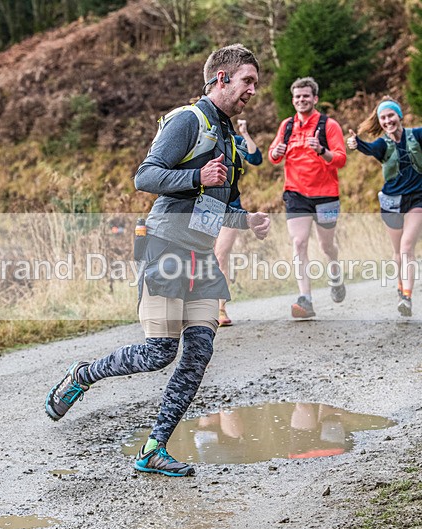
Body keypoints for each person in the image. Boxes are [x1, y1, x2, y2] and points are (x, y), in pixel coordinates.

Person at [44, 44, 270, 477]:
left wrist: (248, 220)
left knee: (198, 353)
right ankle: (82, 374)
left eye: (255, 84)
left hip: (202, 256)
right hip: (166, 245)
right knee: (158, 352)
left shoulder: (230, 138)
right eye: (247, 81)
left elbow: (220, 205)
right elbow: (145, 176)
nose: (253, 91)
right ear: (221, 79)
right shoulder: (189, 120)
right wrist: (196, 176)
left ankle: (153, 448)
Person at [346, 97, 422, 316]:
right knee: (397, 252)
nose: (387, 120)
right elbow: (371, 149)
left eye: (391, 115)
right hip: (392, 202)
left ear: (399, 116)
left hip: (417, 199)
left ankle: (407, 297)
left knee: (406, 247)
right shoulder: (383, 144)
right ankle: (401, 287)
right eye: (383, 118)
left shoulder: (417, 136)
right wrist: (357, 144)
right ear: (380, 122)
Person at [268, 77, 347, 319]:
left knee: (326, 246)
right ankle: (306, 299)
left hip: (326, 195)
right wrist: (276, 152)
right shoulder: (287, 126)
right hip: (296, 193)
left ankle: (335, 274)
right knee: (299, 242)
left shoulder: (329, 126)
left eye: (306, 96)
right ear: (293, 101)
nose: (301, 100)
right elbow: (272, 155)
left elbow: (341, 159)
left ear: (315, 99)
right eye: (297, 97)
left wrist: (322, 151)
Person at [214, 118, 263, 326]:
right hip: (203, 208)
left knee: (221, 255)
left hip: (231, 208)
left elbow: (256, 158)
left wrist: (244, 132)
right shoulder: (198, 140)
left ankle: (220, 309)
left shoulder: (233, 140)